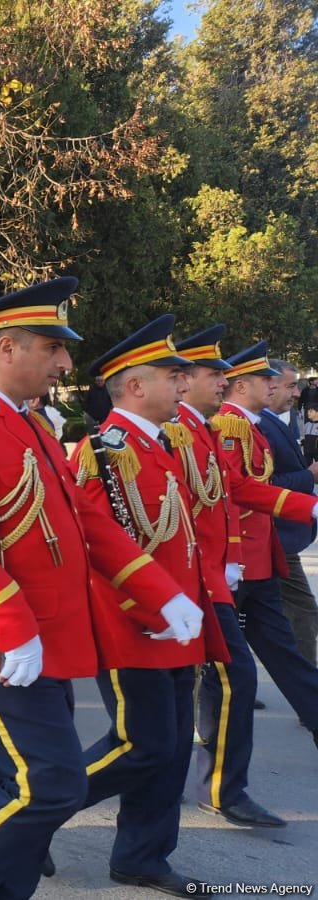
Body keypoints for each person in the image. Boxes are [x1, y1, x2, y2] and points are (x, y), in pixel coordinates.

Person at [0, 277, 195, 900]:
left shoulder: (27, 423)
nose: (66, 363)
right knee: (47, 783)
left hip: (41, 636)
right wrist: (12, 628)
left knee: (21, 778)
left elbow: (86, 522)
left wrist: (161, 592)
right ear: (8, 348)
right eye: (53, 348)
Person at [60, 315, 218, 895]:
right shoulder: (103, 451)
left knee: (171, 748)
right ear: (133, 386)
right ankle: (29, 809)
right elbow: (99, 546)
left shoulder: (160, 445)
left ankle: (143, 855)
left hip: (175, 624)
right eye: (173, 377)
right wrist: (154, 606)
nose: (185, 386)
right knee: (143, 743)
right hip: (130, 623)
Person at [174, 328, 318, 830]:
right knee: (224, 679)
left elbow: (233, 490)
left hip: (244, 562)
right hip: (215, 571)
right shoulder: (216, 428)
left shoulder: (219, 429)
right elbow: (225, 499)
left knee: (270, 656)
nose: (227, 381)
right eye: (217, 374)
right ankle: (41, 803)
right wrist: (229, 559)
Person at [261, 359, 318, 663]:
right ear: (269, 386)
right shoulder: (259, 425)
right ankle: (309, 690)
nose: (296, 392)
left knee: (258, 613)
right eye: (290, 385)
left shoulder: (273, 422)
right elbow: (262, 485)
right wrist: (310, 475)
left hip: (277, 536)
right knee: (302, 609)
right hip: (273, 534)